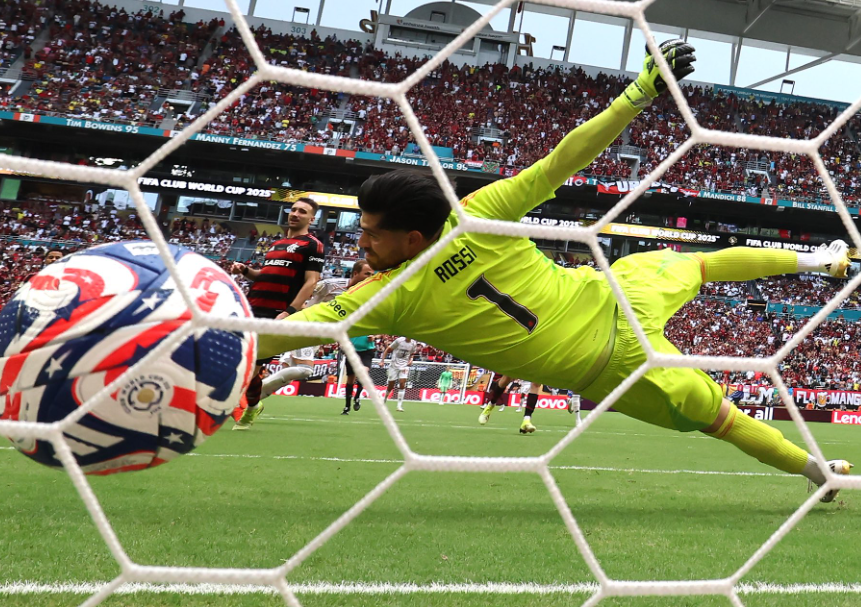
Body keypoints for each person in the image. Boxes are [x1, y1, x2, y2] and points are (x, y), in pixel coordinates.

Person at [258, 40, 853, 502]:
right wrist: (636, 95)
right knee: (700, 266)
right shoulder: (478, 214)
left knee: (722, 416)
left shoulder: (394, 295)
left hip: (616, 365)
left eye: (370, 232)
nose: (361, 242)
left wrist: (198, 334)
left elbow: (298, 329)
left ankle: (817, 470)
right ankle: (817, 265)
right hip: (617, 302)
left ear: (412, 237)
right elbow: (561, 159)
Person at [230, 197, 324, 430]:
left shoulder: (312, 245)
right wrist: (246, 271)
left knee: (249, 369)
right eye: (293, 209)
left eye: (302, 211)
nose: (295, 214)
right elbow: (265, 275)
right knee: (245, 366)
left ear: (311, 219)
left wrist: (289, 311)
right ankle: (253, 407)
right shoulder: (277, 244)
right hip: (252, 308)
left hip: (275, 313)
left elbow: (311, 281)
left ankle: (244, 408)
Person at [266, 259, 375, 404]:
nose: (370, 277)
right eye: (367, 273)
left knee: (285, 380)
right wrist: (299, 308)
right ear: (355, 273)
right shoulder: (330, 285)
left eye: (372, 275)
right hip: (305, 329)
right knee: (305, 370)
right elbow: (304, 291)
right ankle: (254, 390)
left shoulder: (360, 297)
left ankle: (250, 400)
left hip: (317, 338)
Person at [379, 336, 417, 412]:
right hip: (394, 365)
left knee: (402, 384)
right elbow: (388, 350)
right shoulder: (399, 341)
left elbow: (412, 353)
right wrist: (382, 361)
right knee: (391, 385)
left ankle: (399, 405)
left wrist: (411, 359)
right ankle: (385, 399)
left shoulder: (413, 343)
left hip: (404, 366)